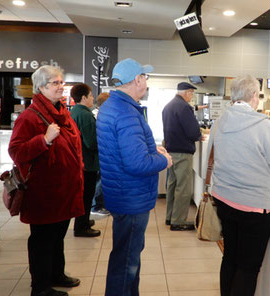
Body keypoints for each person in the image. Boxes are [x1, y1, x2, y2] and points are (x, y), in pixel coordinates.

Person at [207, 75, 270, 296]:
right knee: (248, 267)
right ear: (254, 96)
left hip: (225, 198)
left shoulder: (221, 121)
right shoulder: (261, 125)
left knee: (230, 258)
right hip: (253, 207)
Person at [96, 58, 172, 296]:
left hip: (121, 193)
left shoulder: (112, 106)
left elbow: (125, 151)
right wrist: (164, 160)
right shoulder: (126, 112)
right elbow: (137, 163)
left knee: (125, 256)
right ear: (137, 80)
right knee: (127, 261)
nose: (147, 82)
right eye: (145, 77)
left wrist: (151, 150)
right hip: (131, 197)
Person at [9, 65, 85, 296]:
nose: (61, 86)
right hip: (43, 192)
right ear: (41, 87)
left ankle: (56, 274)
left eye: (62, 82)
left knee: (58, 236)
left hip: (64, 190)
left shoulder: (63, 112)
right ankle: (40, 287)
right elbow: (16, 151)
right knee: (42, 240)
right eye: (55, 83)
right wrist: (44, 139)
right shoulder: (29, 117)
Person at [162, 82, 203, 230]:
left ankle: (170, 216)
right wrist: (199, 135)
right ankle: (178, 221)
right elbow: (193, 132)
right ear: (187, 92)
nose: (192, 96)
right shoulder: (184, 107)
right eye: (192, 93)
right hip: (182, 152)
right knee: (183, 187)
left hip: (171, 151)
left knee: (172, 185)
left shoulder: (168, 106)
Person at [70, 83, 101, 237]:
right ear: (83, 97)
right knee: (87, 195)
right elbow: (92, 142)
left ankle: (84, 220)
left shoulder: (74, 111)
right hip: (87, 162)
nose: (93, 98)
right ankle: (81, 227)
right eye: (90, 95)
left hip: (79, 161)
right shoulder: (86, 115)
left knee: (83, 194)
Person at [91, 92, 110, 217]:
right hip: (99, 154)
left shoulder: (95, 114)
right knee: (99, 181)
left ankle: (97, 205)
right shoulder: (99, 115)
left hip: (100, 153)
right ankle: (96, 206)